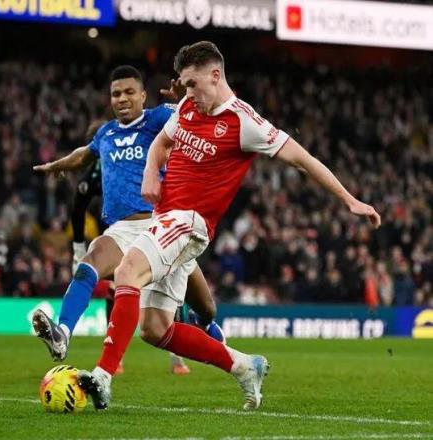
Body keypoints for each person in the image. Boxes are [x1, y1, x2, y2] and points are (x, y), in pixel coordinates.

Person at [76, 41, 381, 411]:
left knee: (128, 271)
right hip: (165, 220)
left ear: (215, 75)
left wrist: (349, 200)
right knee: (154, 329)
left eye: (192, 84)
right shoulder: (187, 107)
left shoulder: (244, 122)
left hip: (189, 222)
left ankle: (103, 376)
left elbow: (303, 159)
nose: (187, 93)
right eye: (184, 85)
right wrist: (150, 174)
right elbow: (160, 143)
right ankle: (243, 365)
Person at [32, 65, 225, 375]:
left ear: (143, 96)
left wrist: (185, 100)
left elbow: (200, 119)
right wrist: (57, 165)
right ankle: (62, 332)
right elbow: (84, 154)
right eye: (116, 94)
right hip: (122, 230)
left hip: (162, 227)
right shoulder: (105, 132)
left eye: (129, 92)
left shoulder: (158, 118)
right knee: (90, 262)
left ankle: (209, 331)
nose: (122, 99)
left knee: (206, 308)